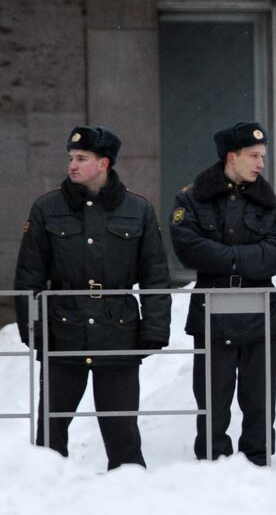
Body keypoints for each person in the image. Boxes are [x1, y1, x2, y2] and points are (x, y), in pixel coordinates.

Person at [13, 126, 171, 470]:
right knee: (51, 433)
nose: (72, 165)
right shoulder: (46, 208)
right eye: (71, 158)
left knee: (122, 430)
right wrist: (33, 330)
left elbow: (155, 276)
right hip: (62, 330)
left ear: (104, 163)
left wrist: (155, 330)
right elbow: (30, 275)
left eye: (81, 159)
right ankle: (44, 492)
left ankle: (131, 493)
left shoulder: (138, 210)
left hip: (118, 331)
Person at [170, 121, 276, 464]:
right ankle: (211, 462)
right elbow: (189, 248)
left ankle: (257, 461)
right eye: (254, 156)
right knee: (211, 398)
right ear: (231, 156)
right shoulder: (192, 198)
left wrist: (226, 259)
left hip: (257, 310)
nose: (261, 163)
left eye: (263, 156)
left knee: (259, 398)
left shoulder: (272, 203)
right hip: (212, 308)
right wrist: (244, 260)